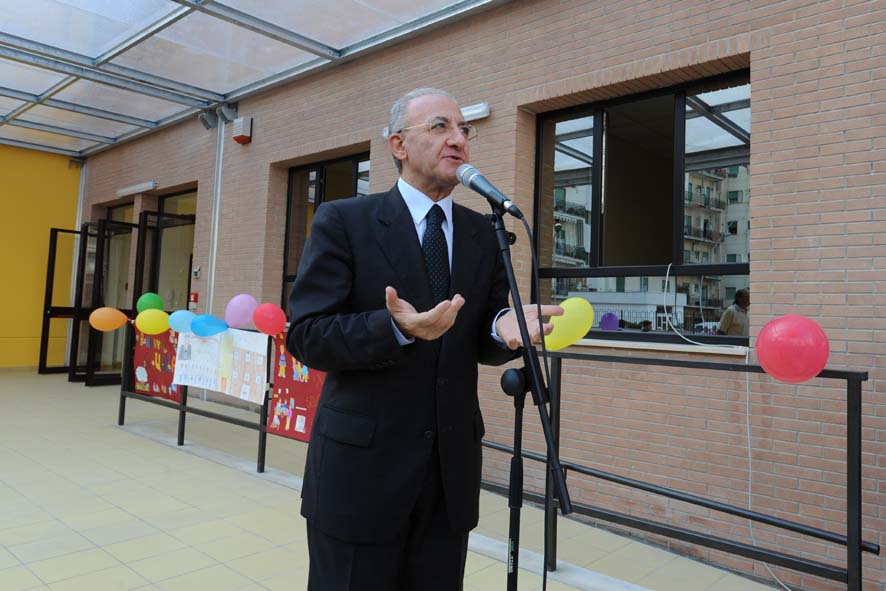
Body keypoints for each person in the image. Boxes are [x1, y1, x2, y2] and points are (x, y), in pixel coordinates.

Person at [286, 87, 562, 591]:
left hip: (447, 480)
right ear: (398, 145)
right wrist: (394, 329)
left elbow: (483, 334)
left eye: (464, 130)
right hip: (360, 478)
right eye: (439, 127)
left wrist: (503, 329)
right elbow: (306, 335)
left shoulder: (484, 232)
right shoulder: (345, 221)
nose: (457, 139)